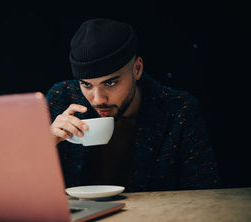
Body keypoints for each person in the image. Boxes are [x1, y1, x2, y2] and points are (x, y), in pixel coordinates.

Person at [46, 18, 220, 192]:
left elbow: (204, 191)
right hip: (77, 218)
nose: (98, 99)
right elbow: (25, 190)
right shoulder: (62, 100)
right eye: (87, 85)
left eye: (110, 83)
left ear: (137, 69)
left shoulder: (178, 111)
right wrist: (45, 144)